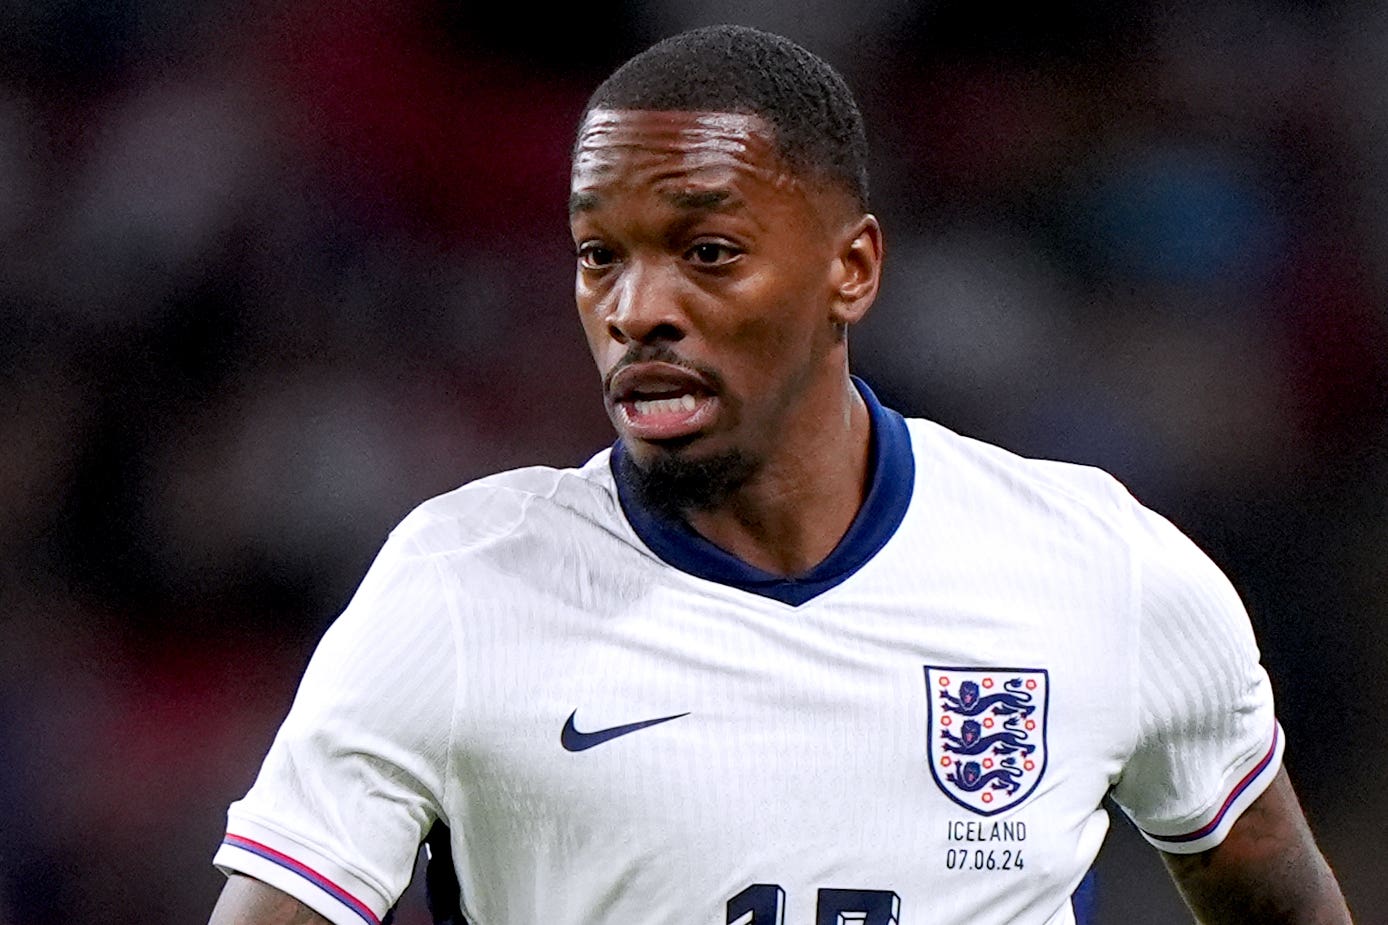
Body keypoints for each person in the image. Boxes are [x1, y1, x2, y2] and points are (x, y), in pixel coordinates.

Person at [207, 25, 1352, 925]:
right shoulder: (459, 589)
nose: (634, 308)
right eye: (598, 255)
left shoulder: (1101, 570)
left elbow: (1283, 901)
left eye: (706, 252)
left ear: (850, 268)